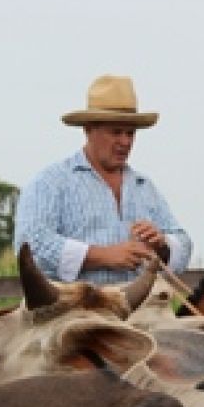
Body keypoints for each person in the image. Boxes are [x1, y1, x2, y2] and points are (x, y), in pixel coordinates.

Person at [13, 74, 192, 285]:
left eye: (130, 133)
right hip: (75, 310)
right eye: (116, 132)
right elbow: (29, 242)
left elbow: (184, 244)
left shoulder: (144, 187)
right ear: (89, 129)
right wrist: (102, 255)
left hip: (143, 311)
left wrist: (162, 245)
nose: (125, 141)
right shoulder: (51, 182)